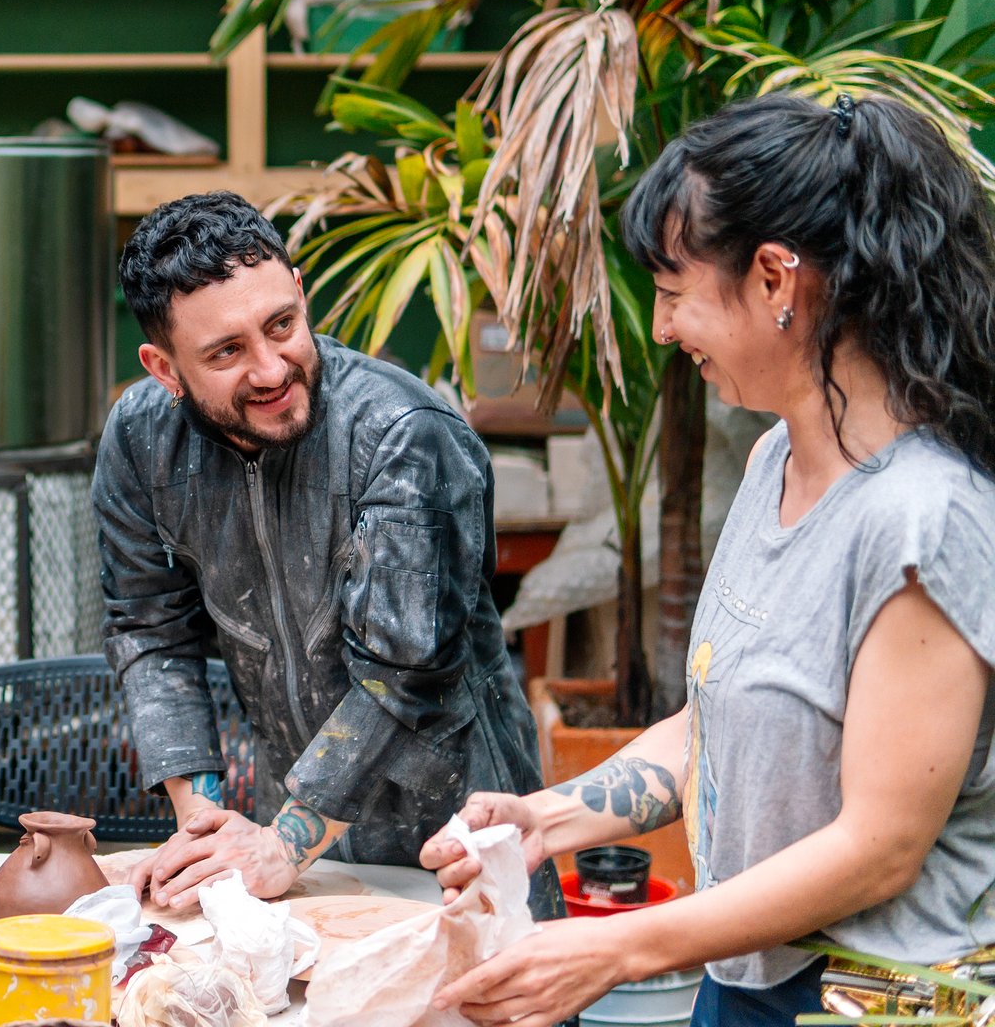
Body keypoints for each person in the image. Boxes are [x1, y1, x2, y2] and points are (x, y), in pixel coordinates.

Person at [422, 93, 995, 1027]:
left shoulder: (923, 519)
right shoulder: (777, 458)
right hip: (746, 976)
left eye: (675, 292)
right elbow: (714, 726)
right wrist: (549, 820)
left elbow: (880, 846)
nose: (659, 329)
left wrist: (620, 945)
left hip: (880, 1002)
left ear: (777, 281)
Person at [95, 191, 559, 915]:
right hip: (302, 848)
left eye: (282, 324)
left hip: (462, 841)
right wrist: (201, 818)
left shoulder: (403, 432)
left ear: (302, 296)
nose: (273, 369)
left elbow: (406, 675)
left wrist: (283, 844)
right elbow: (149, 629)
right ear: (164, 368)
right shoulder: (140, 439)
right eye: (226, 352)